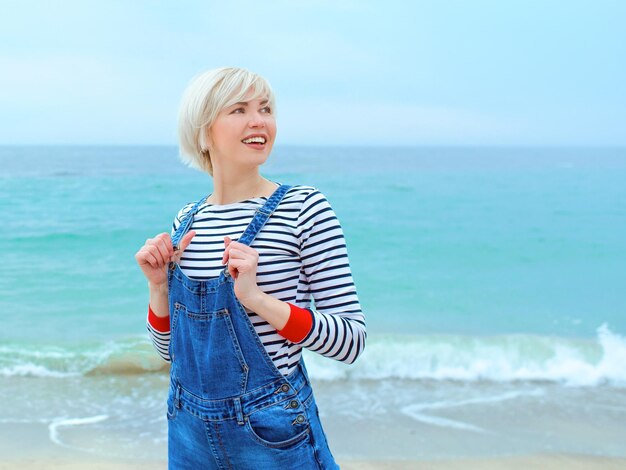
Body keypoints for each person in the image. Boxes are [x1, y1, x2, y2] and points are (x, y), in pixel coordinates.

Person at [135, 66, 366, 469]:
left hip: (272, 434)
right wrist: (158, 288)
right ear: (204, 131)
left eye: (266, 108)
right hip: (187, 433)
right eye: (239, 109)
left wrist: (258, 299)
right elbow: (169, 354)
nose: (259, 121)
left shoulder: (304, 209)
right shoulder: (186, 221)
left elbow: (350, 341)